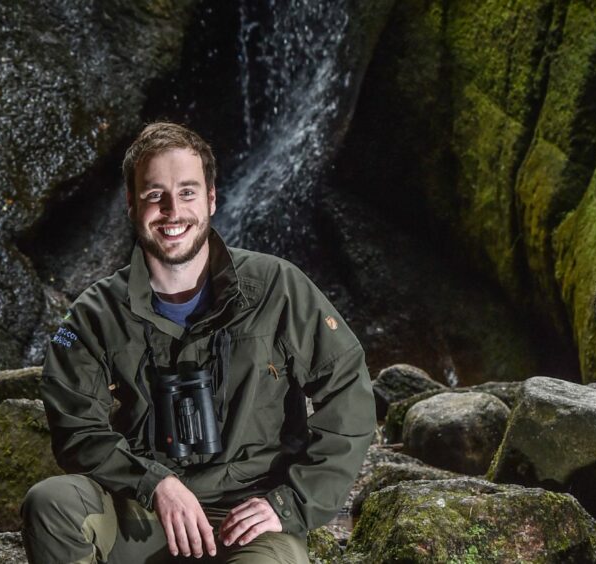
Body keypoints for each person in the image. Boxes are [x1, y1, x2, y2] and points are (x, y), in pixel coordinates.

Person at [22, 122, 376, 563]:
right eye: (155, 195)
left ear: (211, 197)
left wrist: (292, 503)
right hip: (141, 513)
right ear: (132, 205)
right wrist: (154, 484)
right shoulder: (96, 314)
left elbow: (349, 392)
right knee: (51, 503)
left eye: (187, 192)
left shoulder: (277, 288)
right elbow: (76, 430)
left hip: (246, 519)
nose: (173, 211)